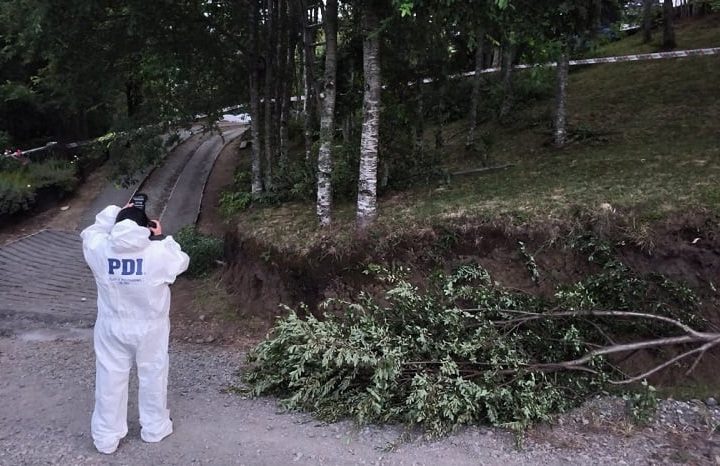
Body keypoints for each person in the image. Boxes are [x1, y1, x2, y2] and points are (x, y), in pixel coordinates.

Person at [81, 201, 189, 454]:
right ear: (147, 229)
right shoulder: (159, 253)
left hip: (112, 326)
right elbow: (181, 261)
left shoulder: (100, 249)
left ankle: (106, 438)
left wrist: (116, 212)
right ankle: (154, 428)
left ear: (116, 226)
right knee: (153, 375)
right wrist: (161, 237)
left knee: (109, 379)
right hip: (150, 328)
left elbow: (91, 231)